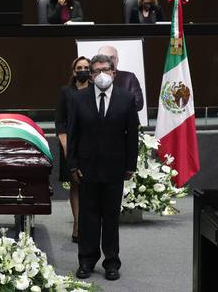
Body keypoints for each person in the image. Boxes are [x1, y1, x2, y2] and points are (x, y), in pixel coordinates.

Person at [68, 54, 139, 281]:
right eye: (96, 71)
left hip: (115, 169)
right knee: (88, 218)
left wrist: (130, 166)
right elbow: (73, 135)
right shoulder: (79, 99)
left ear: (113, 72)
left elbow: (132, 136)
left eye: (105, 70)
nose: (100, 75)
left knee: (110, 218)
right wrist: (73, 165)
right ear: (90, 74)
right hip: (86, 169)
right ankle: (86, 261)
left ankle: (111, 263)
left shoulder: (126, 99)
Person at [55, 56, 91, 244]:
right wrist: (67, 147)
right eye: (79, 67)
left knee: (90, 185)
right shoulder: (66, 92)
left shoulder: (95, 90)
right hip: (69, 144)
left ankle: (89, 223)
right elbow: (60, 122)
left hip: (92, 146)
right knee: (76, 184)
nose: (82, 70)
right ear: (74, 71)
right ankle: (77, 224)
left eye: (86, 67)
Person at [98, 45, 144, 111]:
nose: (108, 60)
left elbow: (138, 103)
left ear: (117, 60)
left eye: (112, 57)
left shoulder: (129, 78)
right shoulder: (92, 79)